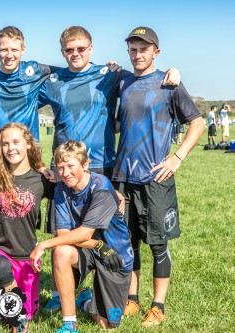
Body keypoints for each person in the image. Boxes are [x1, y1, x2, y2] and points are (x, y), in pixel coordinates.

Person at [39, 25, 179, 313]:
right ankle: (60, 292)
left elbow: (146, 77)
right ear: (62, 52)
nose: (75, 54)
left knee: (111, 231)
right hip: (64, 168)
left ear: (91, 49)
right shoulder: (52, 81)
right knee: (63, 230)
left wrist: (173, 71)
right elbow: (18, 91)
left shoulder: (112, 74)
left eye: (81, 49)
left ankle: (118, 291)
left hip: (104, 166)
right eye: (69, 50)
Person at [113, 26, 204, 327]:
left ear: (156, 52)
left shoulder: (169, 83)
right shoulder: (123, 81)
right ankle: (131, 300)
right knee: (128, 242)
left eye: (144, 49)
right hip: (124, 178)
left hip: (156, 179)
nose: (138, 54)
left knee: (158, 244)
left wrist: (177, 158)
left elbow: (198, 123)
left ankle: (158, 306)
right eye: (133, 49)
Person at [30, 141, 133, 333]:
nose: (65, 173)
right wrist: (97, 244)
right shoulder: (61, 189)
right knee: (61, 252)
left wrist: (43, 244)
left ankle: (85, 301)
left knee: (107, 324)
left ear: (85, 164)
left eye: (71, 166)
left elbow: (84, 232)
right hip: (92, 249)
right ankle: (69, 324)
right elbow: (63, 234)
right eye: (60, 167)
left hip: (116, 256)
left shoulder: (100, 187)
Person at [0, 123, 54, 332]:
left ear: (29, 144)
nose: (10, 148)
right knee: (1, 269)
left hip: (27, 257)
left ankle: (9, 304)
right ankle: (16, 318)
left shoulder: (42, 180)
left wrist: (115, 194)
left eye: (16, 142)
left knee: (23, 311)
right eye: (5, 144)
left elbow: (75, 189)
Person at [0, 26, 59, 147]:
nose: (9, 55)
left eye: (14, 50)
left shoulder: (34, 71)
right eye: (4, 50)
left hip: (28, 156)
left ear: (23, 50)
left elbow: (68, 73)